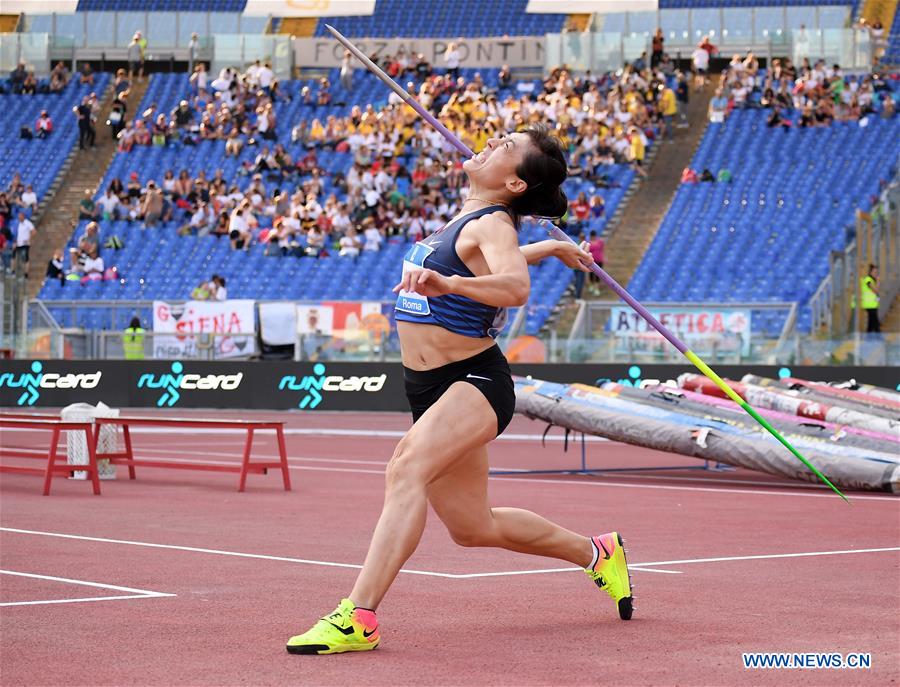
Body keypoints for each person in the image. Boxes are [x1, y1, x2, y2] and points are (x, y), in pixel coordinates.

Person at [285, 126, 633, 656]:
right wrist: (550, 247)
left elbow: (514, 287)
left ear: (514, 184)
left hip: (474, 380)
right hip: (429, 387)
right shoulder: (474, 220)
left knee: (406, 469)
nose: (491, 142)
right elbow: (488, 256)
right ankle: (596, 553)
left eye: (506, 146)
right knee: (473, 527)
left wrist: (450, 285)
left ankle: (357, 617)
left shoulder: (493, 222)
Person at [13, 211, 36, 278]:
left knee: (25, 258)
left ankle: (25, 273)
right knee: (14, 256)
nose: (19, 218)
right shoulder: (19, 224)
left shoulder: (28, 223)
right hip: (18, 243)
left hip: (25, 244)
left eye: (20, 216)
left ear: (23, 216)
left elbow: (34, 231)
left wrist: (29, 239)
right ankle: (13, 271)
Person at [860, 264, 880, 333]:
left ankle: (868, 336)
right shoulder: (867, 279)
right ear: (870, 272)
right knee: (875, 322)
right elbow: (876, 290)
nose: (876, 274)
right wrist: (878, 281)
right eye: (875, 272)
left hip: (873, 304)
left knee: (871, 323)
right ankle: (879, 337)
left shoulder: (872, 280)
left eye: (877, 272)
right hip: (869, 304)